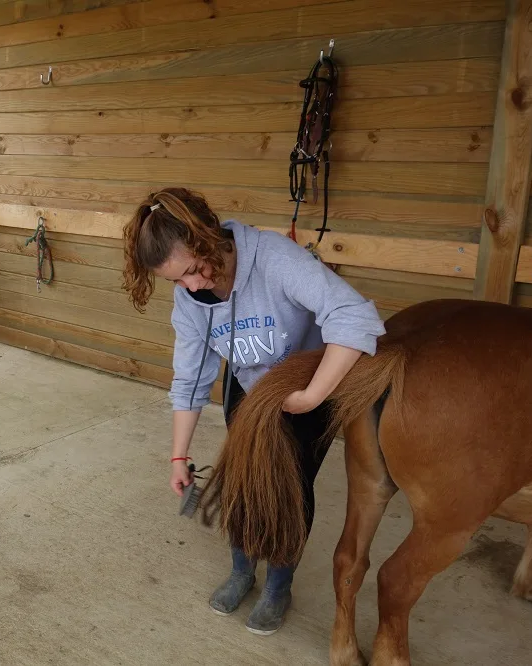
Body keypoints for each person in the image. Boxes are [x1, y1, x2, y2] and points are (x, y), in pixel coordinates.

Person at [121, 187, 385, 636]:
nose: (191, 286)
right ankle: (243, 572)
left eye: (192, 270)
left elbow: (353, 316)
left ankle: (279, 585)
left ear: (208, 238)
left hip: (306, 392)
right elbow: (189, 380)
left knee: (289, 493)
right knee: (243, 481)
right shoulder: (190, 300)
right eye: (176, 281)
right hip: (248, 392)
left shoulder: (275, 258)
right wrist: (178, 456)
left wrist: (312, 396)